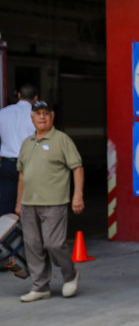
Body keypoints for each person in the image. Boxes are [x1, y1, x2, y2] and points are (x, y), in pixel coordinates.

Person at [15, 101, 84, 302]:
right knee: (32, 245)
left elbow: (77, 168)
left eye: (46, 113)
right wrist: (19, 202)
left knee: (53, 243)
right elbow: (21, 175)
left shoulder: (62, 139)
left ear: (52, 116)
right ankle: (40, 286)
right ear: (32, 118)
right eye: (38, 114)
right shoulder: (27, 143)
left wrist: (77, 195)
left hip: (55, 201)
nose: (42, 117)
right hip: (29, 203)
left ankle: (70, 275)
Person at [0, 84, 37, 216]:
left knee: (5, 206)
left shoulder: (3, 113)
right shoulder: (37, 116)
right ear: (36, 98)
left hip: (8, 164)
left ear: (19, 96)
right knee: (31, 204)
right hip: (30, 165)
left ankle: (5, 235)